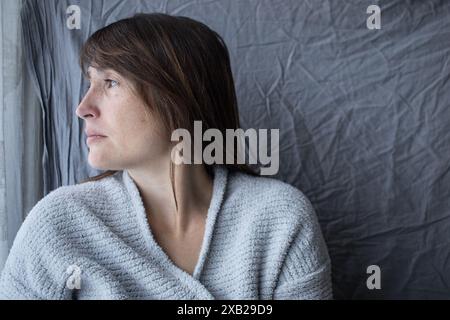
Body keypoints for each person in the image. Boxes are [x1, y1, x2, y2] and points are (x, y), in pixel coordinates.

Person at [0, 13, 332, 299]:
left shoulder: (281, 220)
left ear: (178, 97)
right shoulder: (59, 224)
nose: (83, 108)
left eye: (111, 82)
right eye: (90, 83)